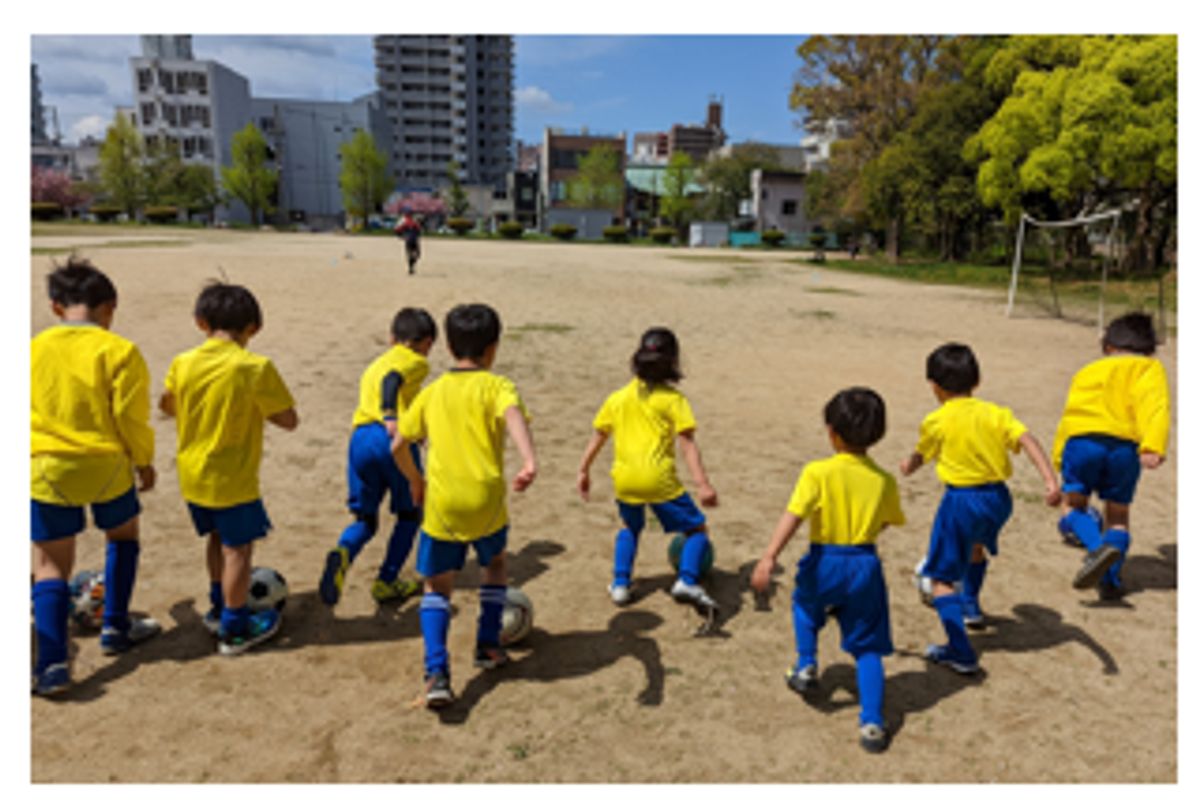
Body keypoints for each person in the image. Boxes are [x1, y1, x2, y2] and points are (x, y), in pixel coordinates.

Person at [392, 303, 537, 709]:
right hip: (486, 499)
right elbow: (513, 417)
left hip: (443, 503)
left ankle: (437, 673)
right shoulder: (498, 386)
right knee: (494, 566)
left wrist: (415, 480)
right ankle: (487, 646)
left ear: (449, 346)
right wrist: (529, 460)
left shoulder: (432, 392)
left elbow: (398, 444)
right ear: (492, 348)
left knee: (437, 585)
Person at [31, 258, 160, 696]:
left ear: (55, 306)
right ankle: (115, 628)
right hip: (107, 466)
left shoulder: (33, 348)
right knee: (123, 536)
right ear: (111, 307)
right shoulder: (119, 350)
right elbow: (131, 417)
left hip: (48, 468)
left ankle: (51, 666)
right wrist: (143, 461)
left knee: (49, 564)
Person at [750, 387, 904, 753]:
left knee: (805, 606)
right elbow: (887, 521)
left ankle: (806, 665)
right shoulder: (884, 480)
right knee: (868, 648)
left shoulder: (817, 472)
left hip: (824, 561)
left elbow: (795, 515)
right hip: (864, 563)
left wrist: (769, 556)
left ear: (831, 431)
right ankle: (871, 724)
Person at [900, 343, 1060, 674]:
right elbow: (1027, 439)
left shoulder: (937, 420)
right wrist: (1050, 480)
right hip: (998, 499)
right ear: (977, 380)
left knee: (940, 578)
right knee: (975, 549)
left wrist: (909, 464)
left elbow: (923, 452)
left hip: (961, 501)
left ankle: (960, 650)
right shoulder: (996, 413)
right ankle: (970, 606)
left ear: (935, 385)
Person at [160, 282, 298, 656]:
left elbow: (168, 404)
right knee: (239, 552)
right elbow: (288, 420)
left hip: (192, 474)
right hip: (232, 477)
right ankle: (235, 628)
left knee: (216, 541)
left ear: (201, 322)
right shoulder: (254, 367)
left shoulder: (182, 362)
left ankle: (219, 605)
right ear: (253, 328)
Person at [577, 327, 720, 619]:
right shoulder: (673, 400)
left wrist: (583, 469)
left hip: (625, 479)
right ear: (673, 362)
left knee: (630, 528)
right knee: (697, 530)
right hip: (658, 480)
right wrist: (703, 484)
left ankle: (619, 584)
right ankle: (687, 581)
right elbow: (688, 445)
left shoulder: (618, 397)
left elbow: (598, 436)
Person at [319, 307, 437, 607]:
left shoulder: (375, 363)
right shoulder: (416, 361)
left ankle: (343, 552)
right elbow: (393, 382)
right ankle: (387, 580)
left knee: (366, 519)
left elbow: (391, 385)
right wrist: (391, 417)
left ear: (391, 337)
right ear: (427, 343)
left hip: (359, 440)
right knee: (410, 514)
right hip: (390, 440)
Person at [1052, 313, 1170, 600]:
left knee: (1073, 506)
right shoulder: (1149, 368)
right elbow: (1155, 406)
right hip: (1123, 449)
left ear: (1108, 346)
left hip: (1081, 443)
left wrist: (1059, 456)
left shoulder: (1087, 371)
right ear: (1150, 349)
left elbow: (1070, 416)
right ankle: (1112, 579)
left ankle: (1095, 548)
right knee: (1117, 515)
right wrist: (1153, 445)